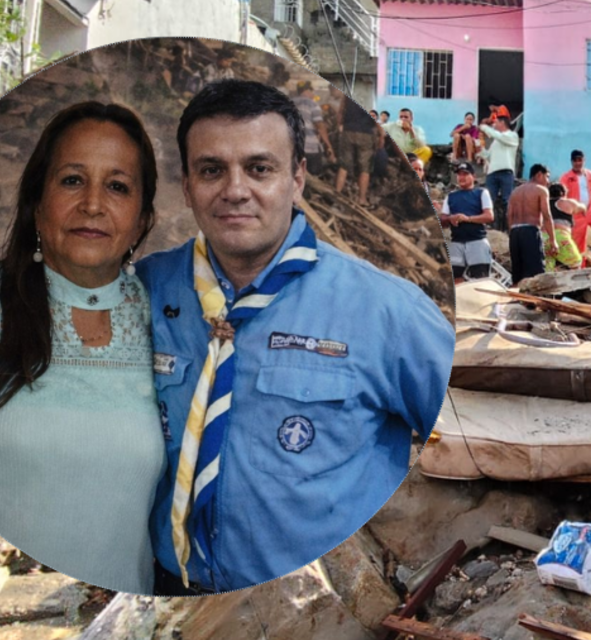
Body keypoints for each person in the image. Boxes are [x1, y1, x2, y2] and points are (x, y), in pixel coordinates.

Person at [136, 79, 453, 595]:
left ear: (297, 178)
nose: (235, 189)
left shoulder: (385, 311)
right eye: (212, 170)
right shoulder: (143, 291)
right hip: (168, 589)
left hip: (316, 606)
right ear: (187, 184)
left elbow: (468, 446)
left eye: (260, 168)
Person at [0, 102, 163, 594]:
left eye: (118, 186)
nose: (92, 204)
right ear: (37, 203)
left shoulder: (169, 323)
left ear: (142, 217)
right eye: (71, 180)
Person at [439, 162, 494, 282]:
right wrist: (450, 218)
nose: (461, 177)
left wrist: (468, 219)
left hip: (477, 241)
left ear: (473, 176)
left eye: (465, 174)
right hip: (457, 242)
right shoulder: (451, 196)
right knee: (455, 278)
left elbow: (489, 216)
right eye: (459, 174)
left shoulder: (481, 193)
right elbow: (442, 219)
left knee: (480, 277)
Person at [505, 164, 558, 285]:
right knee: (535, 274)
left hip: (514, 233)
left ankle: (517, 300)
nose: (548, 181)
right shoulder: (541, 190)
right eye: (547, 176)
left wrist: (512, 235)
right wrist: (553, 240)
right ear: (539, 174)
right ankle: (534, 302)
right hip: (530, 232)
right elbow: (546, 215)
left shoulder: (515, 192)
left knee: (518, 274)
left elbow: (509, 215)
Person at [558, 149, 591, 262]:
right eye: (575, 160)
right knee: (578, 242)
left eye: (580, 160)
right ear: (571, 162)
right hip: (576, 215)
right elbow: (561, 199)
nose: (578, 163)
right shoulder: (566, 178)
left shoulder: (590, 175)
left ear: (584, 160)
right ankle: (580, 265)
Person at [335, 96, 379, 206]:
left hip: (348, 131)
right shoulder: (372, 94)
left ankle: (337, 195)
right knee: (364, 168)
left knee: (344, 165)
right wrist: (381, 134)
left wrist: (339, 126)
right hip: (366, 133)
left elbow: (340, 111)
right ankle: (362, 199)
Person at [478, 115, 520, 232]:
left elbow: (499, 136)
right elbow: (488, 156)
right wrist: (480, 148)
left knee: (507, 200)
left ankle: (510, 227)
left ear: (502, 123)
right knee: (490, 200)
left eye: (496, 122)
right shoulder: (496, 141)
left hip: (506, 172)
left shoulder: (512, 136)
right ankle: (490, 226)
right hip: (492, 173)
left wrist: (484, 127)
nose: (494, 125)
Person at [292, 81, 335, 176]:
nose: (313, 94)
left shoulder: (289, 102)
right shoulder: (312, 104)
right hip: (309, 148)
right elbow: (320, 126)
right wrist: (328, 145)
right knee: (314, 174)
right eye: (312, 91)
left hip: (292, 147)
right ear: (307, 90)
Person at [545, 183, 586, 272]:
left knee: (548, 268)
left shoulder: (543, 205)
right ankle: (575, 285)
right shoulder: (566, 202)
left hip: (543, 238)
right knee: (576, 263)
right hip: (560, 237)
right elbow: (582, 208)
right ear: (564, 193)